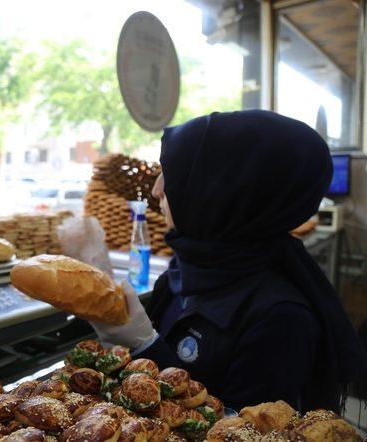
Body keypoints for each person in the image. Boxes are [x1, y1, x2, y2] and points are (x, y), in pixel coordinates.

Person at [92, 110, 367, 412]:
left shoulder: (281, 318)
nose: (157, 190)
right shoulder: (185, 271)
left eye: (174, 175)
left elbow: (241, 430)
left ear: (222, 192)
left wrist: (146, 345)